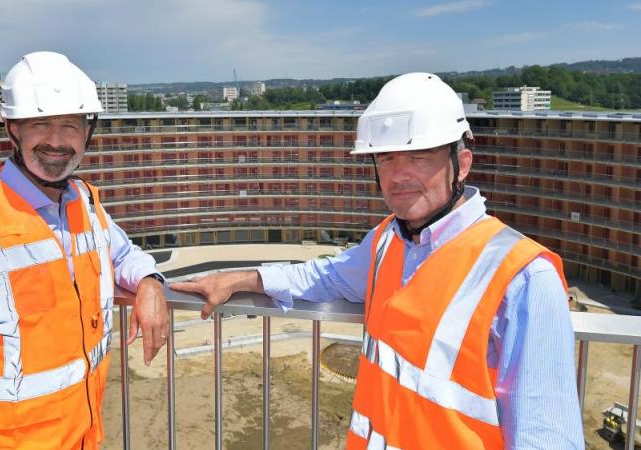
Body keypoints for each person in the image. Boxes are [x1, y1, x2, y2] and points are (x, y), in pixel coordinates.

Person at [171, 73, 583, 449]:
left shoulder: (523, 278)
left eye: (418, 155)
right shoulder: (388, 241)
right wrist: (244, 278)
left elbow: (547, 438)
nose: (398, 174)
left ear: (461, 163)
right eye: (386, 158)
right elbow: (325, 276)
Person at [0, 51, 169, 450]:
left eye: (70, 125)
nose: (57, 141)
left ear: (87, 131)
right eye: (40, 124)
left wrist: (149, 283)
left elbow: (124, 254)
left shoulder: (84, 202)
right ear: (12, 128)